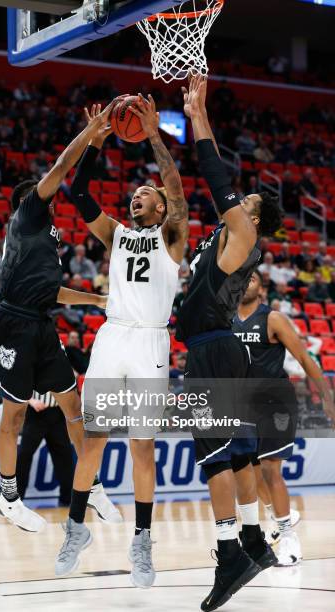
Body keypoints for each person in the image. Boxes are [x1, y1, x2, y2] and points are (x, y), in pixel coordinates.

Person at [56, 96, 188, 588]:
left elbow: (175, 189)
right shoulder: (114, 233)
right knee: (93, 441)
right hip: (112, 338)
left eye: (144, 194)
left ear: (158, 207)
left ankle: (142, 543)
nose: (138, 197)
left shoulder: (172, 235)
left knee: (142, 450)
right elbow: (80, 192)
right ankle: (74, 528)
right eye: (134, 194)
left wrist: (153, 133)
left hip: (152, 343)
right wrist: (94, 139)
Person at [0, 100, 122, 534]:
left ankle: (92, 485)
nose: (49, 195)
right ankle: (7, 496)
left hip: (41, 320)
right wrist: (91, 136)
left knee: (73, 404)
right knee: (13, 415)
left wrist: (96, 300)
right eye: (42, 192)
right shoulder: (27, 213)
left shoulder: (43, 238)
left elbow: (52, 291)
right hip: (14, 324)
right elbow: (63, 166)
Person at [176, 76, 283, 612]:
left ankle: (228, 556)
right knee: (240, 457)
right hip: (223, 351)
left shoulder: (242, 231)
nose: (240, 199)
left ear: (255, 218)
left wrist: (199, 115)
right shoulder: (222, 239)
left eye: (249, 201)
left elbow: (215, 173)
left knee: (214, 459)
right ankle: (254, 541)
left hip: (214, 350)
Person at [232, 271, 334, 565]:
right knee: (247, 471)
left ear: (262, 289)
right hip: (242, 405)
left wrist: (328, 398)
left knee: (269, 470)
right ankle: (279, 515)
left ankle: (288, 535)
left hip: (275, 402)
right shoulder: (226, 320)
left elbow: (304, 358)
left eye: (252, 278)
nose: (245, 281)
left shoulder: (273, 319)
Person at [16, 391, 75, 506]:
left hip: (58, 414)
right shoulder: (31, 372)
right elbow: (18, 384)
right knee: (24, 455)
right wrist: (30, 400)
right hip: (35, 413)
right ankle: (16, 499)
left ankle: (68, 498)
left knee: (65, 457)